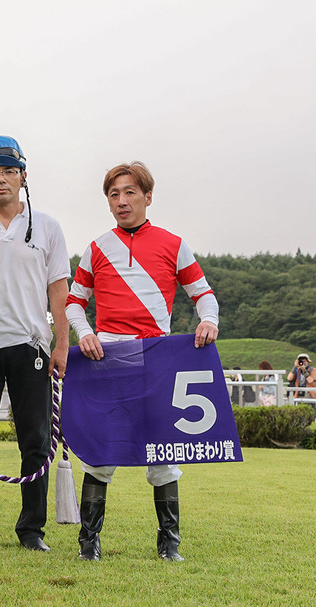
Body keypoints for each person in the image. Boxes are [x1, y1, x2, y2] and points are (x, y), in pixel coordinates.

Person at [66, 161, 219, 562]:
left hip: (158, 362)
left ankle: (169, 545)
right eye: (114, 194)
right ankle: (89, 544)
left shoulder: (173, 244)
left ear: (148, 197)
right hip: (109, 361)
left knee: (164, 455)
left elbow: (204, 295)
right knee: (102, 453)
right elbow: (73, 303)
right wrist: (85, 333)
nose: (121, 201)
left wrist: (209, 320)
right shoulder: (96, 247)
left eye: (130, 192)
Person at [0, 135, 70, 553]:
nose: (1, 179)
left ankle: (31, 531)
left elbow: (58, 289)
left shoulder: (47, 226)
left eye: (9, 171)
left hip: (31, 343)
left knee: (36, 440)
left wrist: (61, 343)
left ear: (23, 176)